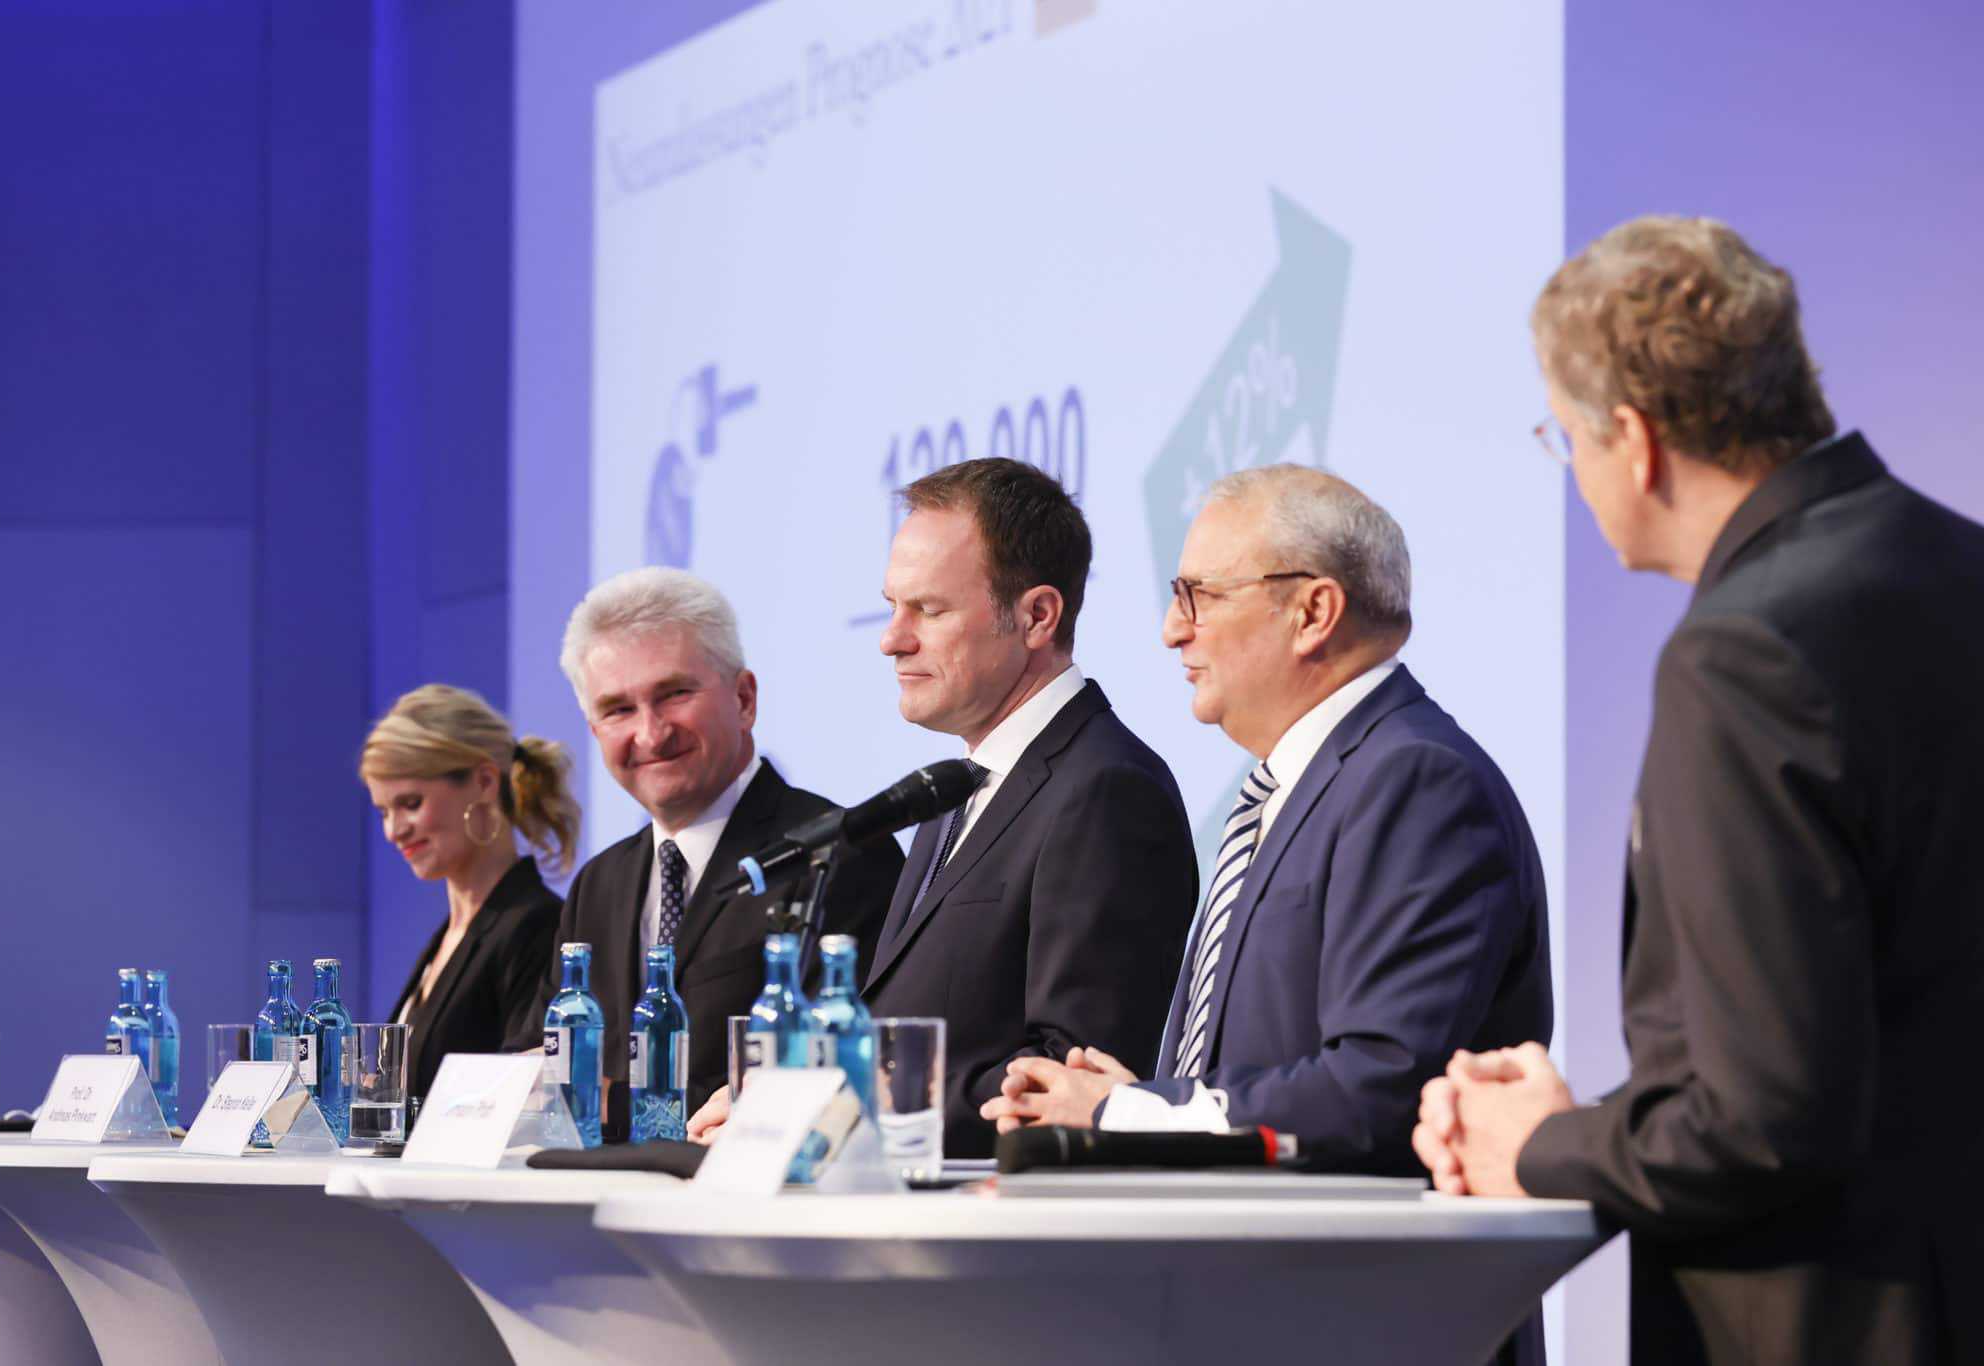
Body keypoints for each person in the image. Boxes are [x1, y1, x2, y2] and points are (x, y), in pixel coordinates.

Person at [1412, 216, 1984, 1363]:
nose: (1568, 470)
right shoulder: (1958, 561)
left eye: (1558, 436)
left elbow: (1764, 1118)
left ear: (1630, 438)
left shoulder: (1740, 654)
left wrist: (1542, 1143)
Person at [982, 466, 1552, 1181]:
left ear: (1313, 612)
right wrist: (1136, 1105)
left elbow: (1376, 1086)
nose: (1171, 630)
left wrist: (1128, 1115)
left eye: (1200, 596)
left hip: (1367, 1287)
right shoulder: (1300, 787)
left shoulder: (1416, 782)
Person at [689, 457, 1201, 1158]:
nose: (892, 637)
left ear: (1036, 616)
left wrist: (836, 1109)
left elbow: (1059, 1082)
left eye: (928, 610)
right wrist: (787, 1099)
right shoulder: (953, 787)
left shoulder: (1107, 790)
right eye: (892, 605)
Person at [511, 567, 905, 1124]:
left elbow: (832, 1083)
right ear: (594, 729)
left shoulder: (841, 854)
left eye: (673, 695)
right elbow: (531, 1061)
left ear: (744, 699)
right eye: (618, 709)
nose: (650, 733)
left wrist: (604, 1104)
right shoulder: (599, 884)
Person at [362, 684, 580, 1107]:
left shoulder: (536, 925)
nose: (394, 830)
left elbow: (525, 1102)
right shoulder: (453, 931)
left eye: (410, 803)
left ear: (483, 781)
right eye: (384, 811)